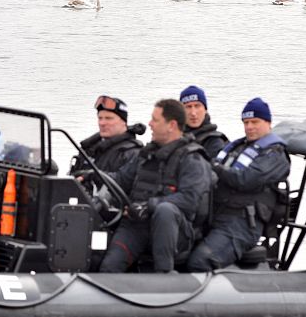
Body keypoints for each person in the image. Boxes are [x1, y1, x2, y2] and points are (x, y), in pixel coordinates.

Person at [99, 99, 212, 273]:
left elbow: (189, 200)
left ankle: (164, 274)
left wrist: (148, 206)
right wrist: (94, 175)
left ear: (171, 125)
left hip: (173, 231)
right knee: (109, 267)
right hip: (137, 226)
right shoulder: (146, 154)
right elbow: (121, 178)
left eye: (155, 120)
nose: (149, 124)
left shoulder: (192, 159)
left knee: (165, 210)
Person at [187, 97, 290, 272]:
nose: (249, 127)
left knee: (199, 262)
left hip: (242, 225)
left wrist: (213, 167)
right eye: (246, 122)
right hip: (216, 217)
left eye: (255, 122)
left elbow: (246, 179)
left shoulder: (275, 155)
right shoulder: (237, 148)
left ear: (268, 122)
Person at [69, 95, 144, 176]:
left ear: (123, 122)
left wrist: (91, 177)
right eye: (100, 118)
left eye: (108, 118)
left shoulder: (133, 153)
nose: (102, 123)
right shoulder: (90, 148)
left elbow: (125, 182)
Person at [179, 85, 228, 160]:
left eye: (197, 106)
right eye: (188, 107)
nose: (193, 113)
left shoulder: (215, 141)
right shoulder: (173, 137)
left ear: (205, 110)